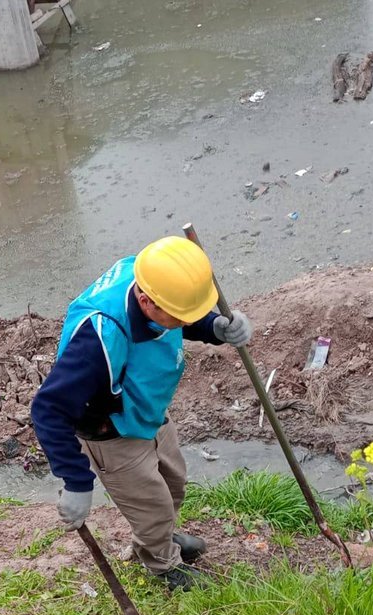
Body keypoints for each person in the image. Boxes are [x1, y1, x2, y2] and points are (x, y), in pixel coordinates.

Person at [30, 236, 252, 591]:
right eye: (182, 318)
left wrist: (213, 327)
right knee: (151, 504)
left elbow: (181, 313)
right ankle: (161, 563)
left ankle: (159, 536)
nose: (185, 323)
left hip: (147, 408)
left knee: (173, 484)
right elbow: (48, 408)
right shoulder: (98, 339)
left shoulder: (151, 275)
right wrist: (76, 482)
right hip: (111, 429)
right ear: (147, 302)